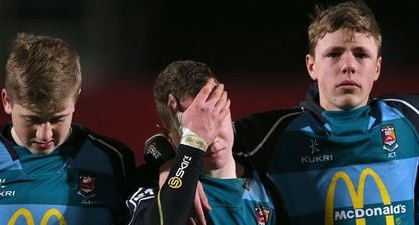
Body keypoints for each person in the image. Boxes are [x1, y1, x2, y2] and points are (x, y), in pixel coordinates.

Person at [232, 1, 419, 225]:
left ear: (377, 67)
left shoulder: (410, 116)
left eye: (361, 54)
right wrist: (192, 178)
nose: (348, 65)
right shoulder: (274, 134)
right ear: (312, 66)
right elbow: (200, 144)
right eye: (334, 54)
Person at [0, 33, 136, 225]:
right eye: (32, 119)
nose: (45, 134)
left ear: (75, 99)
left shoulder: (115, 160)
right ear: (7, 101)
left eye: (57, 119)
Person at [126, 60, 279, 225]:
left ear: (228, 109)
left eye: (215, 119)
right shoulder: (155, 191)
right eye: (192, 130)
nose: (210, 139)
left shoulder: (269, 176)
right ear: (168, 136)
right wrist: (192, 146)